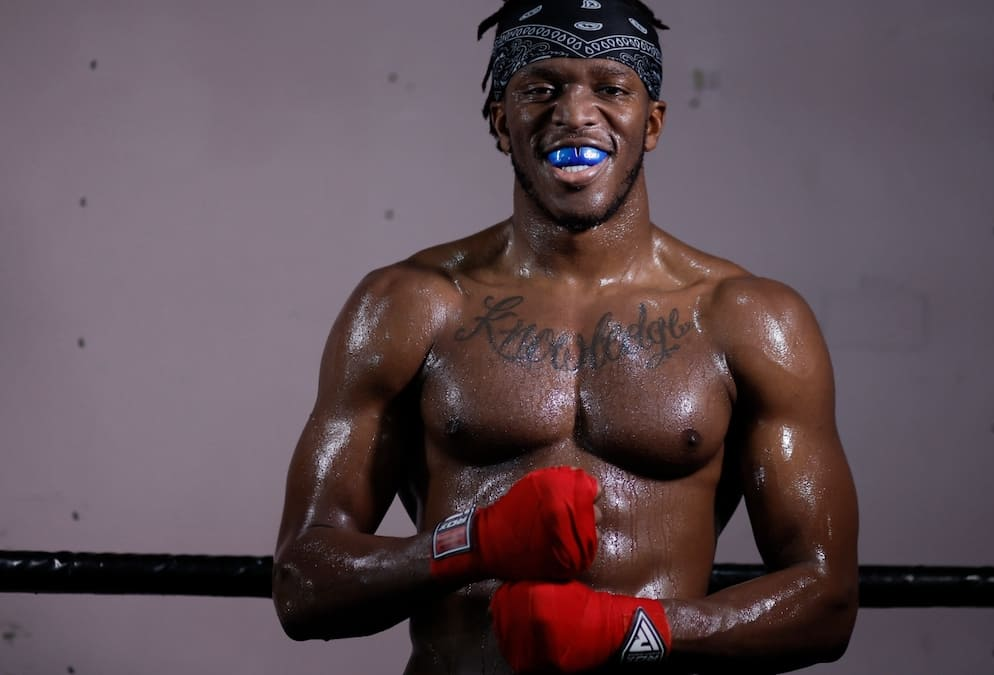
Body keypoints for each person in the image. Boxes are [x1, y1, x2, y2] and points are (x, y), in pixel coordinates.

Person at [272, 1, 859, 672]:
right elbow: (302, 583)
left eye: (610, 88)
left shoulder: (750, 319)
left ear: (652, 122)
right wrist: (475, 541)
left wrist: (629, 627)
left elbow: (827, 600)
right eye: (541, 88)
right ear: (501, 123)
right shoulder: (407, 306)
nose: (576, 113)